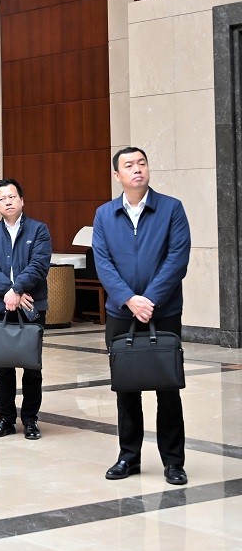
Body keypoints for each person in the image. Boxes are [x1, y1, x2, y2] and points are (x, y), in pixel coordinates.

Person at [94, 147, 190, 485]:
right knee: (126, 388)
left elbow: (177, 258)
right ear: (117, 175)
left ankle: (173, 462)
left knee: (168, 388)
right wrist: (129, 299)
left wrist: (149, 299)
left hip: (164, 311)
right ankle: (128, 457)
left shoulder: (171, 208)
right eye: (129, 165)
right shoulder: (104, 214)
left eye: (142, 163)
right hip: (121, 313)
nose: (137, 169)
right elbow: (103, 263)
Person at [0, 178, 51, 440]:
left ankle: (31, 420)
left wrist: (17, 290)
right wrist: (10, 293)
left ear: (22, 200)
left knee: (32, 367)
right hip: (1, 306)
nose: (8, 202)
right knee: (3, 367)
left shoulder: (39, 230)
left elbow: (39, 265)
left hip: (31, 306)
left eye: (12, 197)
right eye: (2, 198)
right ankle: (6, 419)